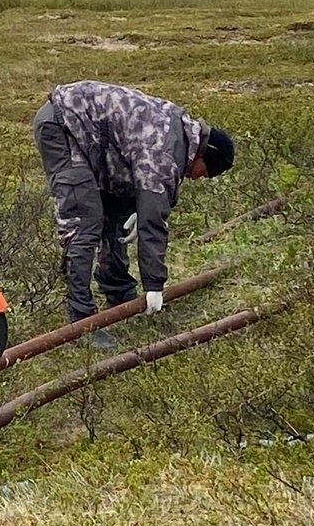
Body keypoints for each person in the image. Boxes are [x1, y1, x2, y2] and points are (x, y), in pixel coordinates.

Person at [33, 80, 234, 348]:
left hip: (93, 139)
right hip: (64, 125)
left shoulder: (179, 133)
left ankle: (118, 292)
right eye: (204, 172)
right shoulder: (166, 149)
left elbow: (135, 165)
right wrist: (154, 285)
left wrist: (138, 205)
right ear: (203, 156)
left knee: (117, 210)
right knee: (85, 223)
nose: (197, 178)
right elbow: (154, 222)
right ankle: (80, 322)